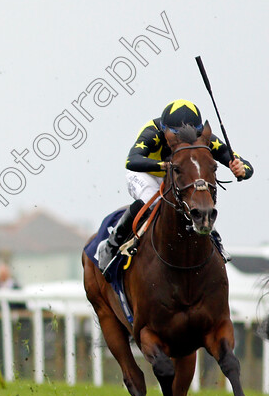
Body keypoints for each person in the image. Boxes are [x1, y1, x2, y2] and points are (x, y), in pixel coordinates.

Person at [97, 99, 253, 270]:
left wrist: (241, 169)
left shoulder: (204, 137)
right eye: (177, 136)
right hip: (147, 174)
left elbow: (242, 163)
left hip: (180, 178)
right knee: (153, 200)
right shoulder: (152, 132)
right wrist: (165, 166)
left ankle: (216, 242)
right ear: (165, 130)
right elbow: (131, 160)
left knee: (200, 200)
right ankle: (112, 245)